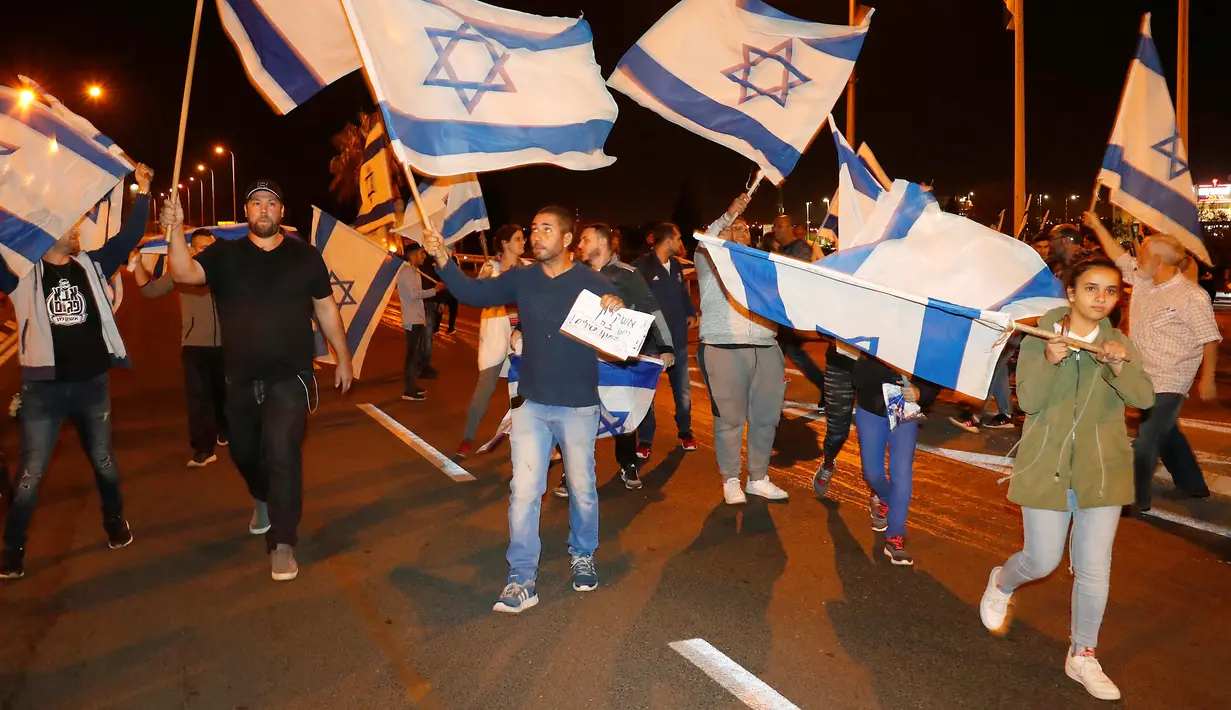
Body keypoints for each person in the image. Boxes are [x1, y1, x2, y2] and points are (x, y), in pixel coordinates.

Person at [424, 206, 624, 614]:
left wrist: (615, 306)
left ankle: (583, 553)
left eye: (546, 229)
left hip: (579, 406)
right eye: (534, 229)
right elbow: (472, 294)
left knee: (583, 489)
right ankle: (521, 577)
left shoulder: (591, 281)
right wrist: (442, 259)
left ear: (568, 240)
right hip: (533, 404)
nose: (536, 235)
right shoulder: (522, 278)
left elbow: (621, 333)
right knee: (524, 492)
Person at [979, 258, 1153, 701]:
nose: (1100, 298)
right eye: (1091, 288)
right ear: (1071, 294)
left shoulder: (1118, 344)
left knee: (1094, 569)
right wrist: (1051, 360)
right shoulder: (1040, 337)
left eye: (1110, 291)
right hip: (1046, 464)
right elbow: (1030, 401)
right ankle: (1002, 581)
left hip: (1102, 469)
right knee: (1042, 560)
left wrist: (1119, 366)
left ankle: (1083, 654)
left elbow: (1144, 396)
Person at [165, 180, 354, 582]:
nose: (264, 209)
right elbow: (184, 271)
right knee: (245, 453)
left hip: (291, 376)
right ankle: (262, 497)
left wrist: (343, 357)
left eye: (271, 203)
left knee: (284, 454)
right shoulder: (225, 254)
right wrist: (174, 229)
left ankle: (283, 541)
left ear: (281, 212)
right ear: (246, 212)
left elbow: (326, 307)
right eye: (256, 203)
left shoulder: (306, 257)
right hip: (240, 378)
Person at [0, 164, 154, 580]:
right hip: (44, 392)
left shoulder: (92, 264)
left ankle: (114, 523)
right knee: (30, 474)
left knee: (104, 462)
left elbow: (128, 238)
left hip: (91, 385)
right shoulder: (22, 277)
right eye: (71, 227)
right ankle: (12, 549)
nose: (78, 232)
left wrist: (143, 190)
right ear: (49, 234)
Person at [1084, 212, 1220, 511]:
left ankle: (1134, 499)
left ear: (1158, 262)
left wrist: (1207, 378)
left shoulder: (1190, 296)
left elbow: (1209, 338)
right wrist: (1097, 225)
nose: (1136, 260)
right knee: (1165, 431)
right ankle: (1192, 484)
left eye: (1142, 256)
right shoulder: (1145, 281)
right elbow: (1119, 257)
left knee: (1146, 441)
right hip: (1143, 375)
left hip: (1170, 379)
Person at [697, 197, 791, 504]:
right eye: (732, 229)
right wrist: (728, 214)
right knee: (730, 419)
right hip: (724, 347)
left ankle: (758, 477)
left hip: (766, 347)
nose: (740, 233)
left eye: (744, 230)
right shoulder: (709, 262)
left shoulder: (762, 267)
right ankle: (731, 479)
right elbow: (706, 240)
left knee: (766, 418)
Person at [575, 222, 674, 492]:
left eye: (585, 240)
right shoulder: (574, 274)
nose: (579, 245)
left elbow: (652, 310)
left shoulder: (627, 275)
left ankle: (628, 463)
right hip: (580, 360)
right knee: (578, 416)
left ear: (602, 243)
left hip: (618, 362)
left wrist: (667, 348)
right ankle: (573, 471)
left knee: (622, 414)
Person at [134, 228, 229, 467]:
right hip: (194, 345)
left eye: (211, 247)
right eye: (201, 248)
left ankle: (225, 429)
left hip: (227, 345)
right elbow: (150, 290)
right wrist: (137, 265)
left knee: (224, 394)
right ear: (192, 250)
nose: (206, 252)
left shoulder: (226, 270)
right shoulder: (180, 272)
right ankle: (203, 450)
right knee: (198, 399)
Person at [851, 356, 939, 566]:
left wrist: (920, 393)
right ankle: (887, 500)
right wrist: (891, 371)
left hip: (905, 411)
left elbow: (935, 373)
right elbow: (857, 378)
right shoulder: (870, 333)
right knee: (872, 473)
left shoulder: (919, 337)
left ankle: (895, 537)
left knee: (901, 471)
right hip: (871, 410)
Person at [455, 225, 524, 458]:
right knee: (484, 389)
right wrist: (485, 280)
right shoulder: (490, 268)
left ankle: (537, 442)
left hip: (523, 337)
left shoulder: (529, 270)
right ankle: (467, 438)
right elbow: (478, 296)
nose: (523, 241)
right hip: (496, 336)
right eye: (517, 238)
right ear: (504, 243)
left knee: (529, 392)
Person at [632, 223, 696, 458]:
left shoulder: (677, 265)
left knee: (683, 392)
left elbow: (682, 293)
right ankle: (645, 439)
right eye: (678, 238)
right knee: (647, 394)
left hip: (678, 340)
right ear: (668, 240)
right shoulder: (642, 267)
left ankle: (685, 432)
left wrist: (690, 311)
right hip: (650, 343)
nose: (681, 243)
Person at [769, 214, 827, 409]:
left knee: (782, 353)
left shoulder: (800, 248)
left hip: (793, 313)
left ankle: (772, 396)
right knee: (790, 353)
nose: (774, 230)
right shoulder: (785, 248)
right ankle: (825, 388)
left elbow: (797, 276)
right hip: (785, 312)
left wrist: (779, 259)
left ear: (786, 228)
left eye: (777, 227)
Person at [397, 243, 445, 402]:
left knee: (415, 355)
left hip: (417, 318)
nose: (424, 256)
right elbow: (413, 294)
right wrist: (434, 291)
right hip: (412, 319)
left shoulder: (413, 271)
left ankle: (413, 386)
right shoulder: (407, 272)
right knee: (412, 356)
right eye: (421, 253)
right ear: (413, 254)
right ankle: (409, 390)